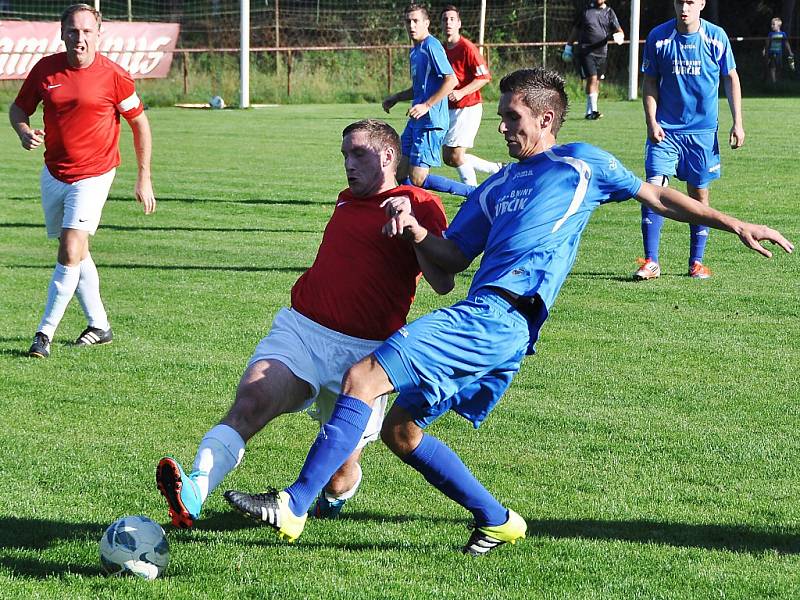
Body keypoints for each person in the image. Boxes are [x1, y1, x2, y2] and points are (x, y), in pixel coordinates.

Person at [223, 68, 793, 555]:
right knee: (400, 430)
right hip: (486, 317)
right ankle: (500, 520)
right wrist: (420, 228)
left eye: (512, 118)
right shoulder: (495, 189)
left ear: (546, 119)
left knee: (362, 377)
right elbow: (448, 259)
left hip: (500, 316)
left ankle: (294, 506)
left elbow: (659, 196)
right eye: (500, 117)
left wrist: (732, 222)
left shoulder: (582, 164)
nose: (501, 127)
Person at [156, 119, 453, 528]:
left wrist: (414, 233)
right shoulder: (346, 199)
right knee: (251, 401)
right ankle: (194, 490)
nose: (348, 163)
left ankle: (333, 496)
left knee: (340, 471)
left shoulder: (418, 202)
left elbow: (443, 283)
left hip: (364, 358)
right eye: (345, 155)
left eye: (358, 154)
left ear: (388, 156)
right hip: (303, 330)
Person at [9, 3, 156, 358]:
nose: (80, 38)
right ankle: (99, 325)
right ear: (62, 34)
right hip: (55, 173)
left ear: (98, 35)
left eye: (87, 31)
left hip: (95, 173)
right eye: (73, 31)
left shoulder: (115, 75)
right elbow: (17, 109)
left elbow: (139, 123)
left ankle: (43, 335)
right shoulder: (45, 70)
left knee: (70, 248)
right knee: (77, 252)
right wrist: (24, 131)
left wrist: (144, 176)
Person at [635, 0, 744, 281]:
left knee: (699, 196)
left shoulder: (716, 37)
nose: (684, 7)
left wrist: (738, 123)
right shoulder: (659, 37)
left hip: (703, 134)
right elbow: (649, 81)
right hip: (666, 131)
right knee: (652, 189)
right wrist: (651, 121)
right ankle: (651, 261)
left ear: (702, 4)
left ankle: (696, 262)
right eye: (679, 1)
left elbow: (730, 78)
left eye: (690, 2)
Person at [382, 4, 473, 198]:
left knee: (418, 179)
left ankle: (472, 192)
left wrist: (427, 105)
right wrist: (397, 97)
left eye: (416, 21)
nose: (412, 25)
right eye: (408, 21)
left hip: (431, 121)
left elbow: (451, 80)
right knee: (399, 171)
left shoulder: (431, 46)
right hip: (416, 121)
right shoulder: (415, 51)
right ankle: (409, 207)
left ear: (426, 23)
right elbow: (419, 88)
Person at [439, 5, 501, 187]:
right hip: (449, 109)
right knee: (449, 158)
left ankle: (472, 192)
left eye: (452, 19)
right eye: (445, 19)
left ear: (459, 23)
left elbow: (484, 77)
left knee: (456, 155)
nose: (448, 23)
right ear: (440, 24)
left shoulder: (467, 48)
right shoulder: (441, 49)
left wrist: (461, 92)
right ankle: (496, 169)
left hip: (468, 107)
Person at [563, 0, 624, 120]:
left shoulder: (609, 12)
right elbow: (576, 30)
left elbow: (619, 30)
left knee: (596, 82)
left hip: (602, 53)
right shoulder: (586, 11)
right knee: (592, 78)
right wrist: (568, 47)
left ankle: (589, 112)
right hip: (586, 52)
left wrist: (619, 36)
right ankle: (594, 110)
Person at [763, 17, 795, 85]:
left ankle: (778, 81)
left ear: (778, 26)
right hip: (772, 52)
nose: (772, 26)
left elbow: (786, 43)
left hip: (779, 53)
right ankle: (773, 81)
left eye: (773, 24)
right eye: (771, 24)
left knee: (779, 66)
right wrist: (765, 50)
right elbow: (767, 43)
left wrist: (790, 51)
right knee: (772, 67)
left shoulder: (783, 34)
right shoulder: (770, 34)